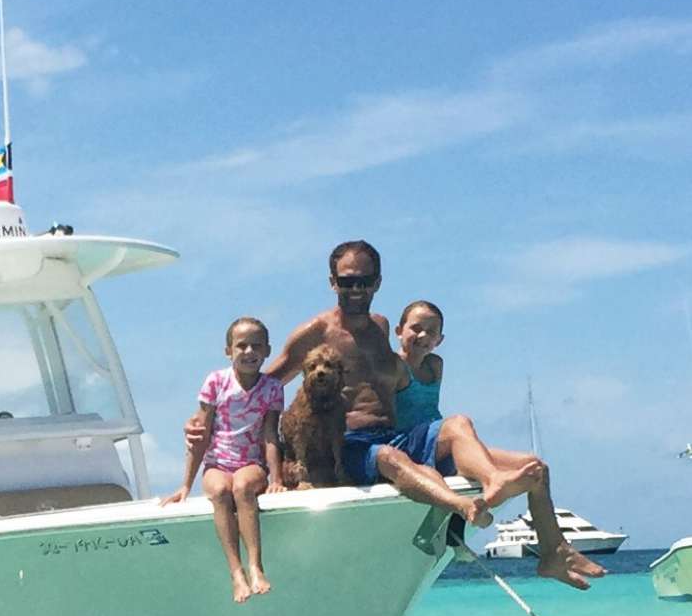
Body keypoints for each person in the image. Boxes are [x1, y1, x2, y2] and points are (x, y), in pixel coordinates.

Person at [197, 241, 604, 590]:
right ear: (332, 283)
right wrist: (208, 423)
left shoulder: (381, 326)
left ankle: (552, 551)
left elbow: (408, 373)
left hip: (400, 435)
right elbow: (261, 385)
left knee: (519, 457)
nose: (354, 289)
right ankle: (465, 509)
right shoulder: (314, 333)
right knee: (395, 461)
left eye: (363, 280)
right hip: (355, 444)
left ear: (377, 283)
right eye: (346, 281)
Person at [163, 317, 285, 603]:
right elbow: (201, 434)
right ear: (228, 351)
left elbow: (270, 435)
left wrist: (277, 478)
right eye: (241, 345)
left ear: (267, 350)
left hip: (251, 464)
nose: (248, 351)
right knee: (220, 491)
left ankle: (256, 566)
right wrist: (185, 485)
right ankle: (236, 572)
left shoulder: (272, 388)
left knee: (242, 487)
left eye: (256, 345)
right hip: (217, 462)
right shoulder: (216, 382)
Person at [393, 300, 444, 433]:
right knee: (460, 423)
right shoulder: (393, 366)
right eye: (416, 329)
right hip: (405, 439)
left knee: (498, 454)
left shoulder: (435, 365)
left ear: (439, 340)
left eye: (431, 332)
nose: (423, 335)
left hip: (433, 436)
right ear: (399, 331)